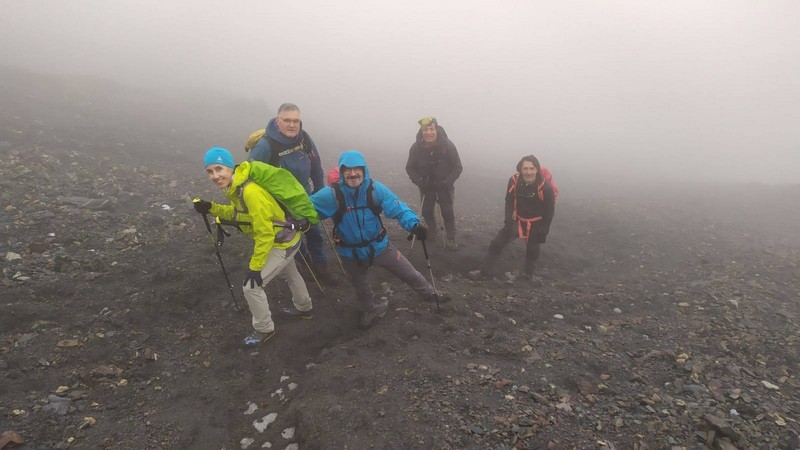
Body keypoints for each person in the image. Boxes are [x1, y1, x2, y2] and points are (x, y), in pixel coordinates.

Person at [311, 150, 451, 328]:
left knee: (409, 273)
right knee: (361, 287)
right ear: (342, 171)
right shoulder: (332, 194)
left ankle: (430, 294)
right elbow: (306, 208)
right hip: (351, 253)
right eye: (348, 170)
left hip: (380, 246)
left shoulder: (375, 189)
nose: (353, 174)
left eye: (357, 169)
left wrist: (414, 225)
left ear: (364, 170)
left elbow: (398, 207)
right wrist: (292, 222)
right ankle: (368, 310)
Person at [194, 147, 315, 347]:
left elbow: (265, 234)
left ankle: (264, 329)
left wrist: (255, 267)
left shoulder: (249, 191)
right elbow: (241, 214)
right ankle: (304, 308)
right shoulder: (237, 186)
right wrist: (211, 208)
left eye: (219, 169)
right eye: (210, 171)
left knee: (251, 287)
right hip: (288, 237)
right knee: (289, 273)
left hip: (282, 242)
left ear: (230, 167)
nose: (215, 176)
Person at [247, 103, 337, 286]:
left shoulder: (304, 138)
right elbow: (250, 175)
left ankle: (321, 266)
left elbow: (316, 167)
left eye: (296, 121)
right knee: (292, 236)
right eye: (287, 120)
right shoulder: (266, 146)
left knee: (314, 232)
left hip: (305, 196)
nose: (292, 125)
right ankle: (305, 264)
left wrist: (319, 191)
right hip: (279, 202)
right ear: (277, 120)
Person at [484, 155, 555, 280]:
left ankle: (528, 276)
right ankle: (484, 272)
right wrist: (508, 221)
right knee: (497, 243)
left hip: (535, 222)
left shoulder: (545, 188)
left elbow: (549, 210)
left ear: (537, 169)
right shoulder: (514, 181)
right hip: (518, 220)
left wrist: (544, 230)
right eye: (525, 168)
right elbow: (509, 200)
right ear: (520, 169)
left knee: (533, 250)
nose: (528, 172)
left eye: (532, 168)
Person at [405, 116, 463, 250]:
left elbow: (458, 167)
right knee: (426, 211)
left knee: (447, 211)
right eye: (425, 130)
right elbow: (410, 168)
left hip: (444, 185)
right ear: (421, 131)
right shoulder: (416, 148)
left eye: (431, 129)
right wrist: (419, 181)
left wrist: (447, 182)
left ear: (436, 129)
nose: (428, 132)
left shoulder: (447, 145)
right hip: (426, 186)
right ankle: (432, 230)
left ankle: (451, 238)